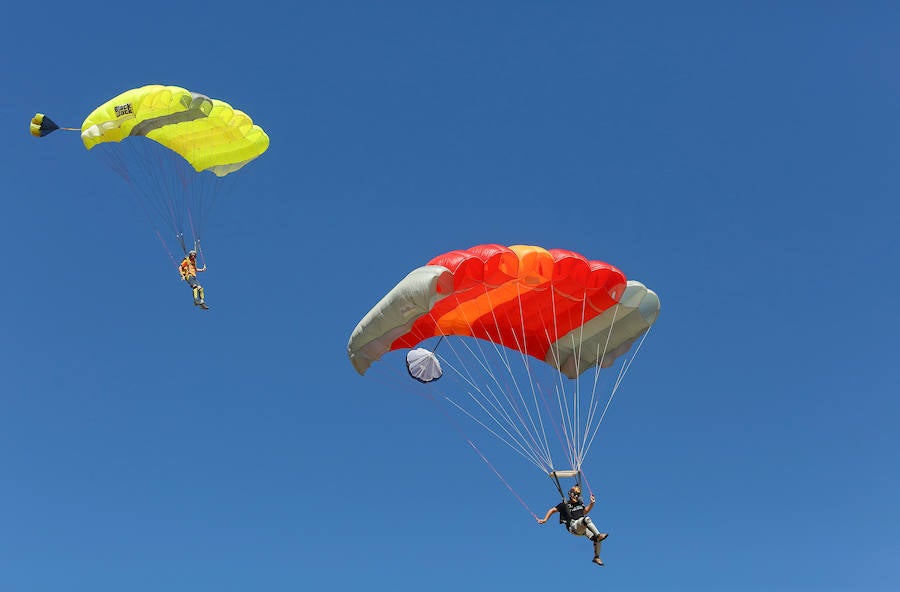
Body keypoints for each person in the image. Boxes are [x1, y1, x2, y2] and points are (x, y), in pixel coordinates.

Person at [537, 484, 608, 566]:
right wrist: (545, 519)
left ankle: (596, 557)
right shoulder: (564, 505)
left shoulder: (579, 503)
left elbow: (584, 511)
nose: (578, 496)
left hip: (582, 527)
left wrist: (591, 503)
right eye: (577, 494)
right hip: (573, 526)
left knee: (597, 539)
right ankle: (598, 534)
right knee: (587, 519)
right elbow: (552, 510)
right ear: (572, 495)